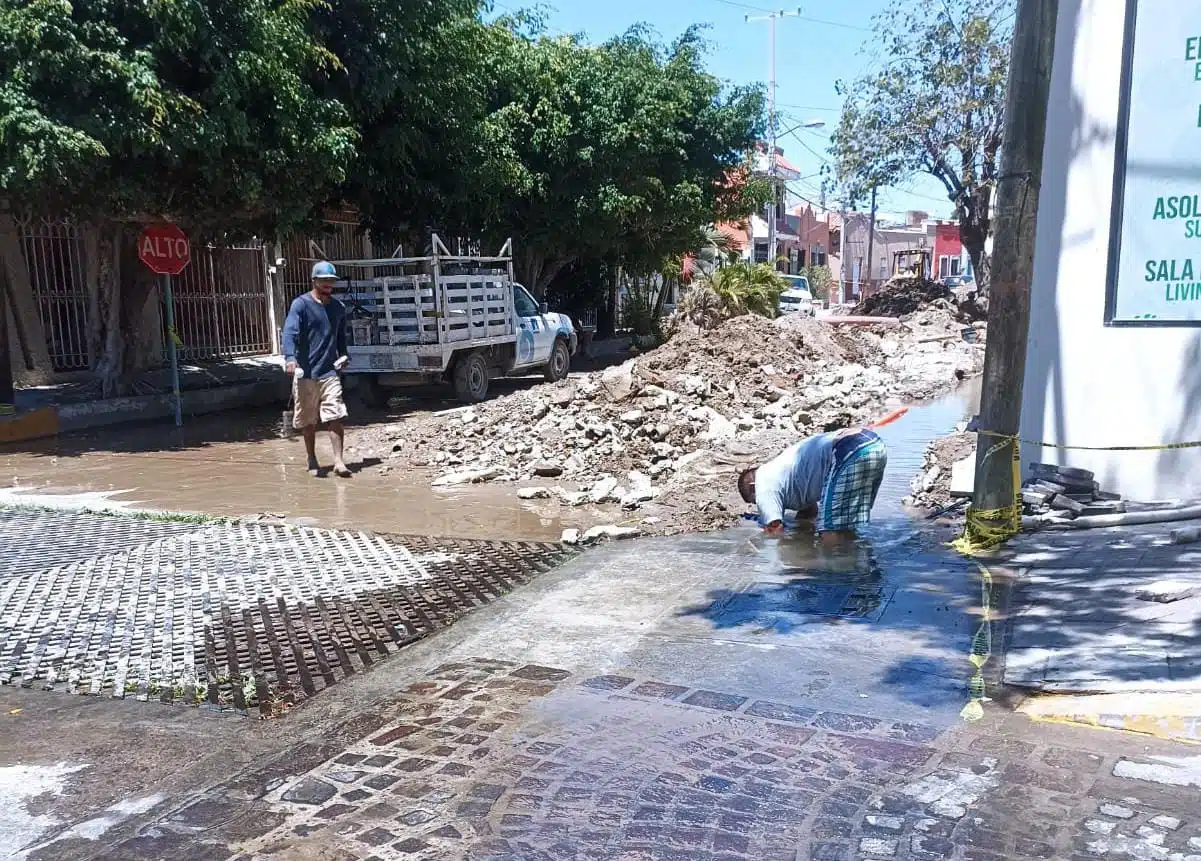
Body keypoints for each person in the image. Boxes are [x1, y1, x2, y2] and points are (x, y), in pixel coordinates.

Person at [738, 427, 888, 547]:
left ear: (753, 488)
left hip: (849, 451)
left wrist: (796, 550)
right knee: (845, 524)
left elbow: (774, 532)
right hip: (874, 445)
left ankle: (839, 574)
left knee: (829, 531)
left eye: (754, 501)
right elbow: (809, 514)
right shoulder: (783, 472)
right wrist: (803, 533)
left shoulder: (764, 483)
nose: (759, 506)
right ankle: (856, 557)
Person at [282, 261, 351, 477]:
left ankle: (339, 461)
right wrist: (290, 358)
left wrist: (344, 355)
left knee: (335, 416)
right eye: (324, 280)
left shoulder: (338, 308)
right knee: (308, 420)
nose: (329, 284)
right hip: (306, 373)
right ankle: (312, 459)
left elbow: (340, 336)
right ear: (314, 281)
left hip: (330, 372)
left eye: (331, 280)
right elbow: (289, 332)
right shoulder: (300, 305)